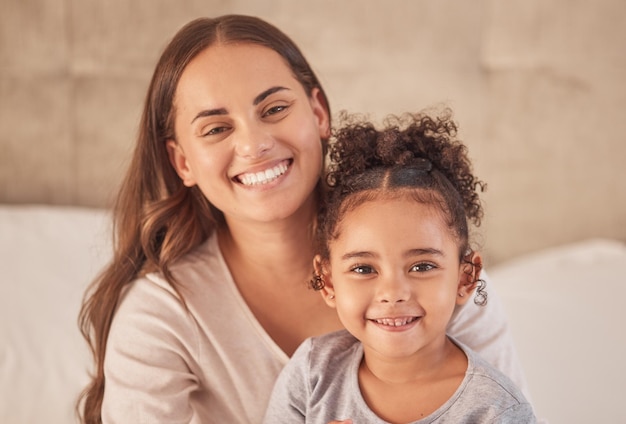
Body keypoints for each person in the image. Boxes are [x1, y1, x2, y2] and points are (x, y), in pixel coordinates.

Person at [77, 15, 530, 424]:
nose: (254, 144)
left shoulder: (439, 271)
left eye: (274, 109)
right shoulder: (162, 316)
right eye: (217, 128)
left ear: (318, 114)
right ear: (183, 163)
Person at [263, 111, 536, 423]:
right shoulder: (313, 373)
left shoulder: (495, 410)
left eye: (421, 267)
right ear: (327, 281)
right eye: (364, 269)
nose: (392, 293)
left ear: (466, 277)